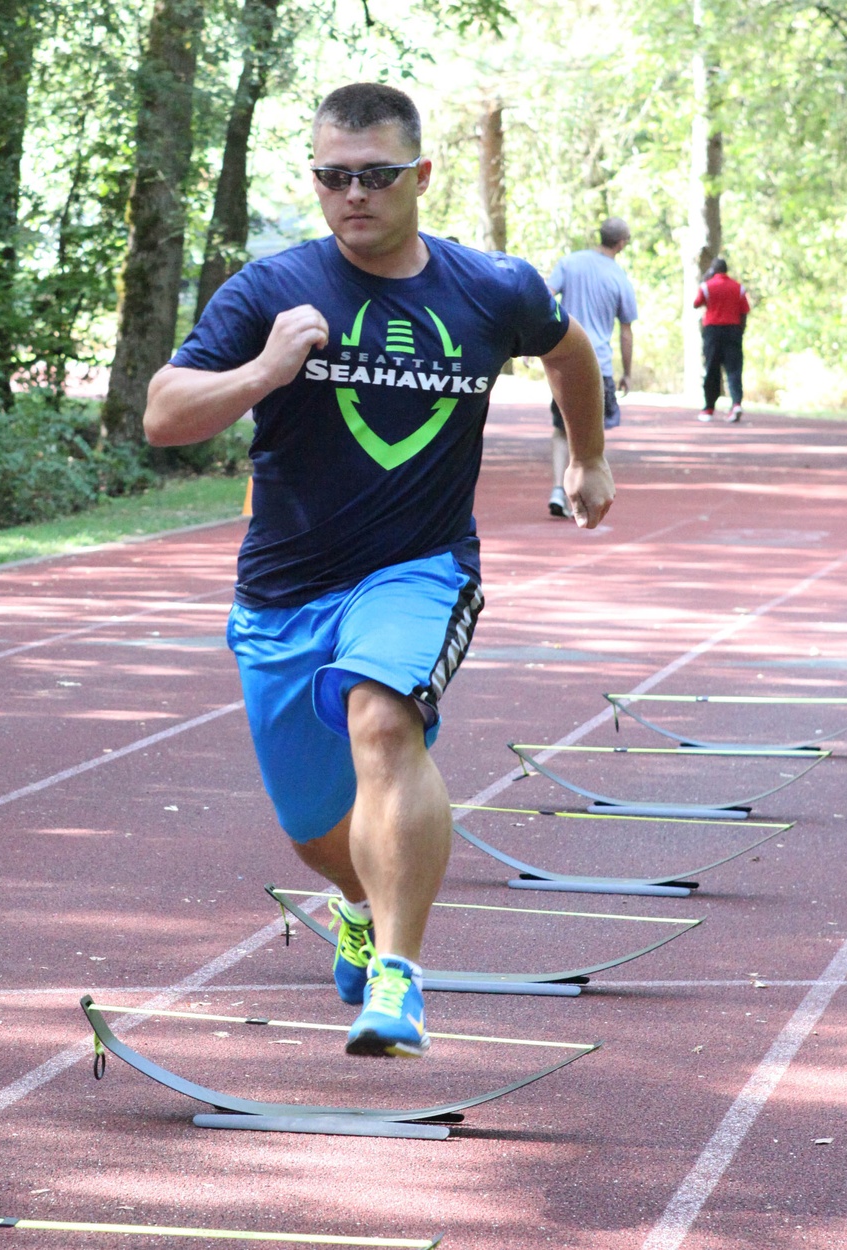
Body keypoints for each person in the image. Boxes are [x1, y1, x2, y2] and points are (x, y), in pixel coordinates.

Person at [142, 83, 614, 1059]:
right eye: (332, 175)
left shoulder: (491, 289)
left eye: (375, 175)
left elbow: (571, 354)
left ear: (421, 176)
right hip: (281, 594)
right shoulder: (271, 290)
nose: (353, 193)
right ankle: (359, 899)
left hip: (419, 567)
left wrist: (588, 454)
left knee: (381, 717)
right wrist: (263, 372)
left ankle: (397, 975)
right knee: (316, 825)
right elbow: (164, 414)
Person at [546, 217, 636, 518]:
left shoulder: (569, 263)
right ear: (621, 243)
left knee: (561, 430)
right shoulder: (620, 278)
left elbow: (545, 297)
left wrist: (539, 342)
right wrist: (627, 371)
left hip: (564, 361)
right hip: (599, 364)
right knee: (591, 436)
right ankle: (584, 495)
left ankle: (559, 489)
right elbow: (626, 330)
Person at [694, 258, 749, 423]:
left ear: (713, 270)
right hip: (733, 330)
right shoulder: (738, 288)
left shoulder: (706, 286)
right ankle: (736, 403)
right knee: (734, 369)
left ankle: (709, 407)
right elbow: (744, 311)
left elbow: (696, 303)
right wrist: (741, 331)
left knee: (712, 369)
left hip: (713, 331)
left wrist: (705, 279)